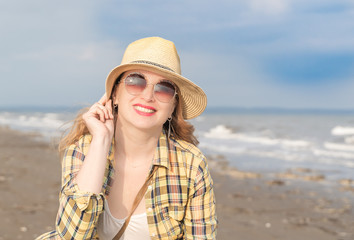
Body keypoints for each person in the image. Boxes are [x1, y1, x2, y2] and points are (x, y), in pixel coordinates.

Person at [36, 37, 217, 240]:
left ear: (172, 108)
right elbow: (70, 236)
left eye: (164, 88)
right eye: (136, 81)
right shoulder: (84, 150)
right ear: (114, 95)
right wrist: (101, 141)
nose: (148, 96)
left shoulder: (191, 163)